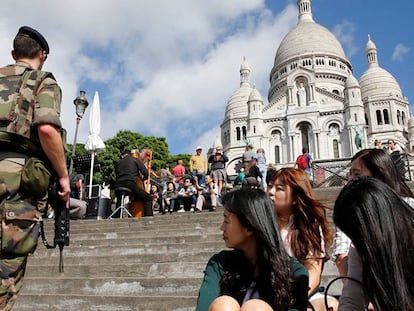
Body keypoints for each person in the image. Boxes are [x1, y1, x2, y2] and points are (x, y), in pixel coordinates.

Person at [0, 26, 70, 309]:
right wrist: (63, 177)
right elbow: (47, 130)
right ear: (43, 55)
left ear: (13, 54)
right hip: (16, 182)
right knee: (6, 271)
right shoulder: (43, 82)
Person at [196, 188, 309, 311]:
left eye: (226, 221)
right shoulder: (220, 264)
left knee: (255, 308)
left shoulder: (294, 271)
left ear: (249, 227)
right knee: (224, 305)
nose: (221, 227)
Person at [330, 148, 414, 310]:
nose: (350, 180)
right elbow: (352, 294)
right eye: (349, 174)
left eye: (357, 174)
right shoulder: (357, 244)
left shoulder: (409, 212)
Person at [267, 168, 338, 311]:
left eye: (279, 188)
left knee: (330, 306)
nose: (271, 192)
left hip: (302, 292)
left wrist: (296, 299)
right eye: (270, 186)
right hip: (268, 292)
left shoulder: (309, 227)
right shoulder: (263, 223)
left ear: (294, 198)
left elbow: (313, 270)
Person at [114, 150, 153, 216]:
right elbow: (145, 173)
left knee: (120, 199)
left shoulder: (118, 162)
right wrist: (143, 179)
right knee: (148, 198)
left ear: (122, 156)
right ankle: (148, 217)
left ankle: (117, 216)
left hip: (118, 186)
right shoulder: (135, 160)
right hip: (130, 184)